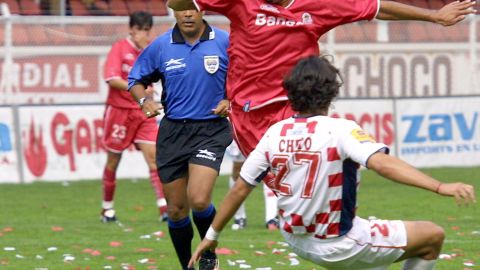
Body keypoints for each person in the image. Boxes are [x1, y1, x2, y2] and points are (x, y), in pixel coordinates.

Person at [188, 55, 477, 270]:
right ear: (332, 91)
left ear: (289, 94)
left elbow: (240, 188)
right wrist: (440, 186)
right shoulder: (340, 129)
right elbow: (382, 164)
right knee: (432, 237)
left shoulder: (275, 133)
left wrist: (211, 235)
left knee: (375, 255)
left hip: (295, 238)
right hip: (337, 243)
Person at [166, 0, 477, 158]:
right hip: (246, 111)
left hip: (295, 105)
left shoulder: (318, 5)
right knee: (269, 179)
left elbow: (378, 8)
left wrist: (434, 16)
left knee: (306, 170)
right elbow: (178, 5)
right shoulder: (240, 3)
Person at [128, 9, 231, 270]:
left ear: (202, 9)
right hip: (173, 132)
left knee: (198, 199)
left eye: (192, 8)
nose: (186, 14)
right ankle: (186, 265)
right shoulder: (162, 45)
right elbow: (135, 79)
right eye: (180, 8)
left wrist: (230, 99)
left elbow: (245, 76)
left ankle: (209, 253)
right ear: (173, 12)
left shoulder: (224, 41)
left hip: (210, 129)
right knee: (175, 209)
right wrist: (144, 101)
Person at [101, 11, 167, 223]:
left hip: (142, 111)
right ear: (131, 30)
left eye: (147, 30)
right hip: (119, 111)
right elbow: (112, 79)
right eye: (140, 30)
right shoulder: (119, 48)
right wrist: (137, 88)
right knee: (113, 160)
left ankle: (164, 210)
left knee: (154, 157)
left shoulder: (149, 52)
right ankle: (107, 209)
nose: (144, 35)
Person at [225, 141, 279, 230]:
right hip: (241, 130)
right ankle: (239, 217)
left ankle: (271, 219)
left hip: (264, 130)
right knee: (237, 170)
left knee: (270, 168)